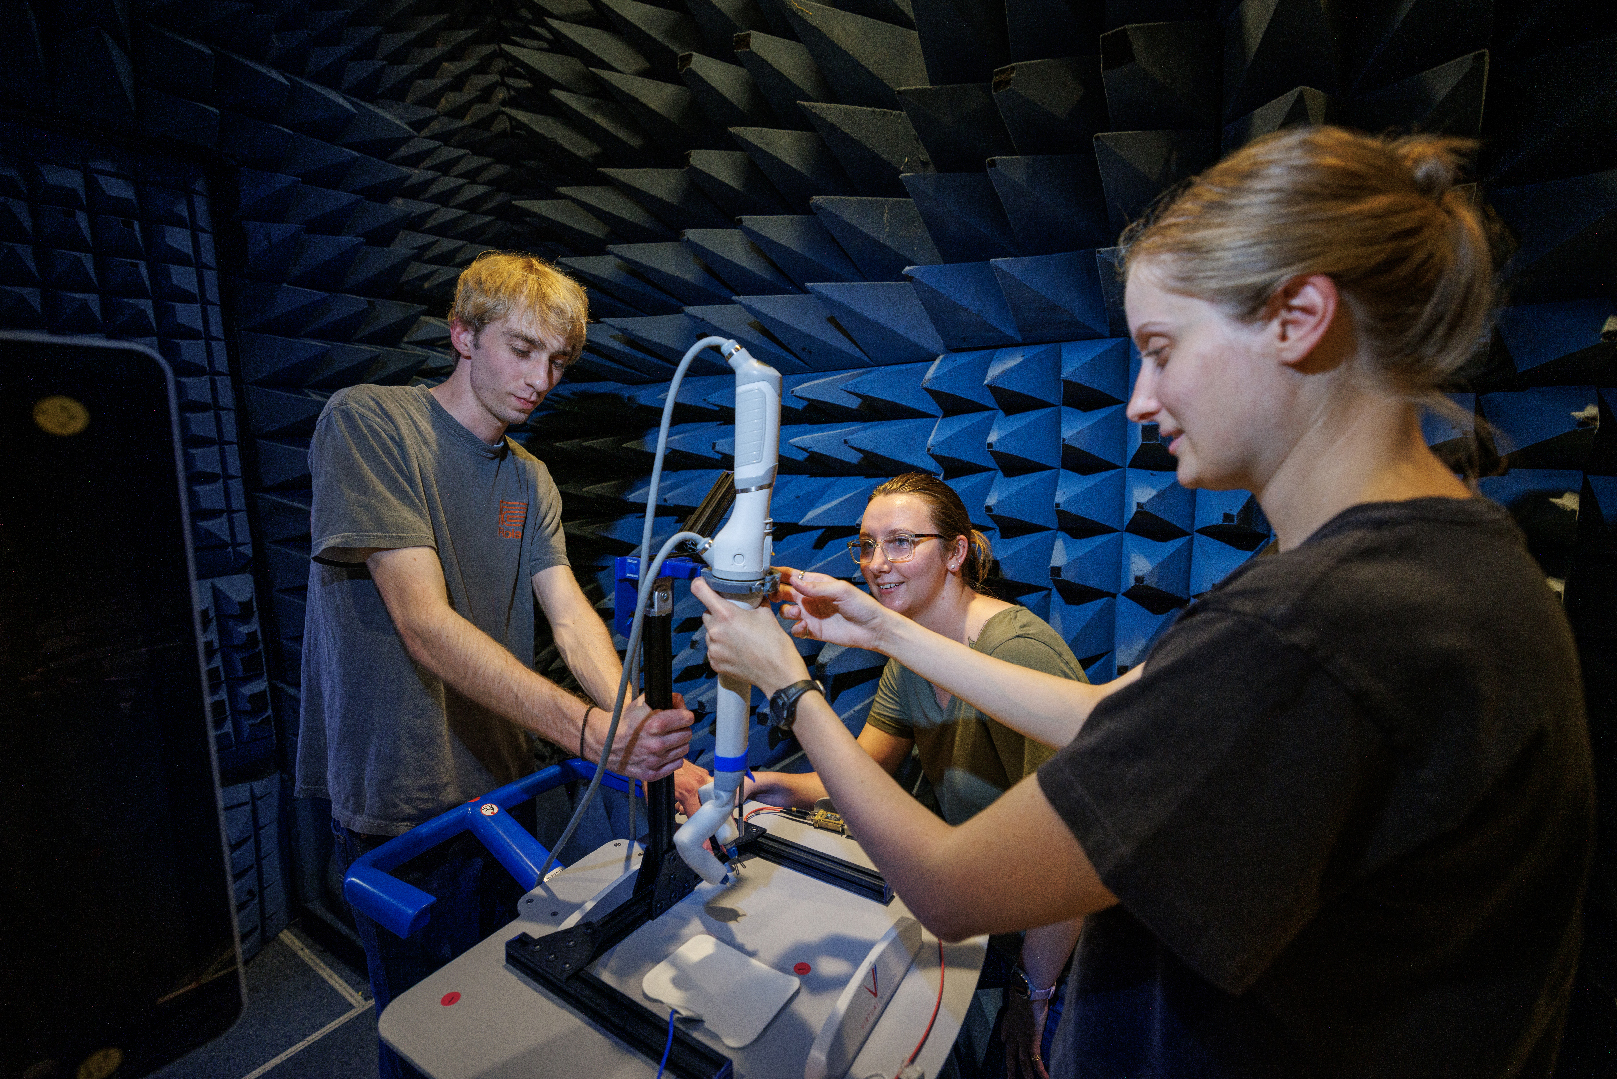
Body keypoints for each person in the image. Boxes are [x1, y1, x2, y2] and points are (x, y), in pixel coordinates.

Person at [692, 126, 1594, 1079]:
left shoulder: (1315, 627)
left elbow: (952, 889)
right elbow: (1110, 717)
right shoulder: (1438, 569)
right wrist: (875, 625)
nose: (1138, 398)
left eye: (1161, 349)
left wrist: (785, 686)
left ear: (1296, 317)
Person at [293, 251, 694, 1078]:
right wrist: (591, 732)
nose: (540, 379)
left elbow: (573, 619)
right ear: (462, 334)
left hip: (503, 786)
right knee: (425, 1032)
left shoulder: (532, 475)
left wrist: (637, 731)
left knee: (499, 1017)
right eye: (522, 348)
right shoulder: (368, 421)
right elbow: (423, 623)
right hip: (403, 796)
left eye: (558, 361)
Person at [679, 471, 1089, 1076]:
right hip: (982, 923)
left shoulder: (1016, 651)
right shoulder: (912, 653)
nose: (876, 563)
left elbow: (1071, 855)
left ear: (955, 553)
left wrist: (1035, 993)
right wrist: (765, 786)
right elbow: (858, 775)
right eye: (867, 544)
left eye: (901, 542)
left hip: (1058, 945)